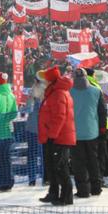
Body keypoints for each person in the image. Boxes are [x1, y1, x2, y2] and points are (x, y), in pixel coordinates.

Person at [37, 66, 76, 206]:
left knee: (60, 167)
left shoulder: (58, 93)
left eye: (46, 80)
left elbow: (60, 116)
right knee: (53, 166)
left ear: (51, 81)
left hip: (58, 137)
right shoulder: (53, 92)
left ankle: (66, 197)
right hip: (53, 136)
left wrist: (52, 135)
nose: (44, 82)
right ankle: (54, 193)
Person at [70, 68, 106, 197]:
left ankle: (83, 190)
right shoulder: (96, 91)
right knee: (93, 161)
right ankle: (96, 188)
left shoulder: (69, 92)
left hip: (75, 133)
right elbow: (102, 113)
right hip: (92, 132)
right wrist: (102, 129)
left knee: (79, 163)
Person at [86, 67, 108, 187]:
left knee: (89, 155)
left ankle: (91, 179)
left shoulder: (80, 86)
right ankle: (99, 179)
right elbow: (102, 109)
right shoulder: (95, 86)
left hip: (88, 126)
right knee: (100, 154)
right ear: (93, 75)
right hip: (100, 126)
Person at [23, 77, 45, 186]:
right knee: (43, 154)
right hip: (44, 128)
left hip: (32, 127)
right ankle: (44, 176)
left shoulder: (33, 92)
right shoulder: (47, 91)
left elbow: (28, 108)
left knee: (32, 154)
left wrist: (22, 109)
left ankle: (32, 179)